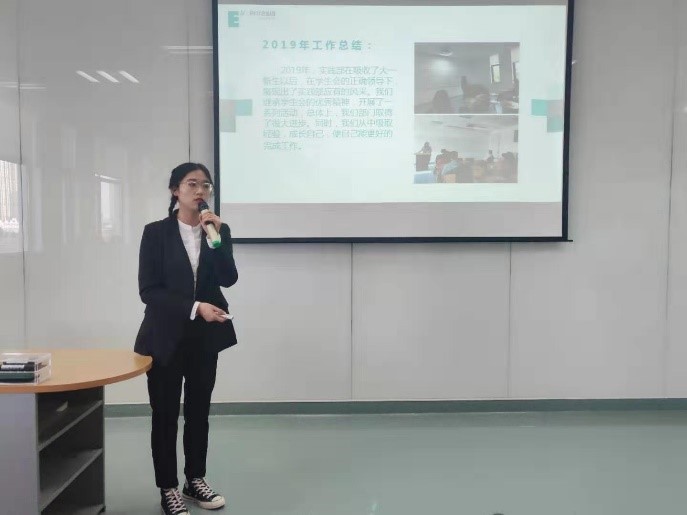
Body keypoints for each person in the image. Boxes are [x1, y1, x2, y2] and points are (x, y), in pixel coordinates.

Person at [135, 162, 239, 515]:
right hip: (164, 338)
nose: (200, 191)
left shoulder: (218, 230)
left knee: (198, 412)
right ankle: (168, 488)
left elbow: (228, 279)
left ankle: (195, 480)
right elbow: (149, 291)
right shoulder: (156, 233)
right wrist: (195, 307)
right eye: (192, 184)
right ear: (175, 190)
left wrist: (217, 241)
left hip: (204, 339)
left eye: (206, 185)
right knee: (165, 414)